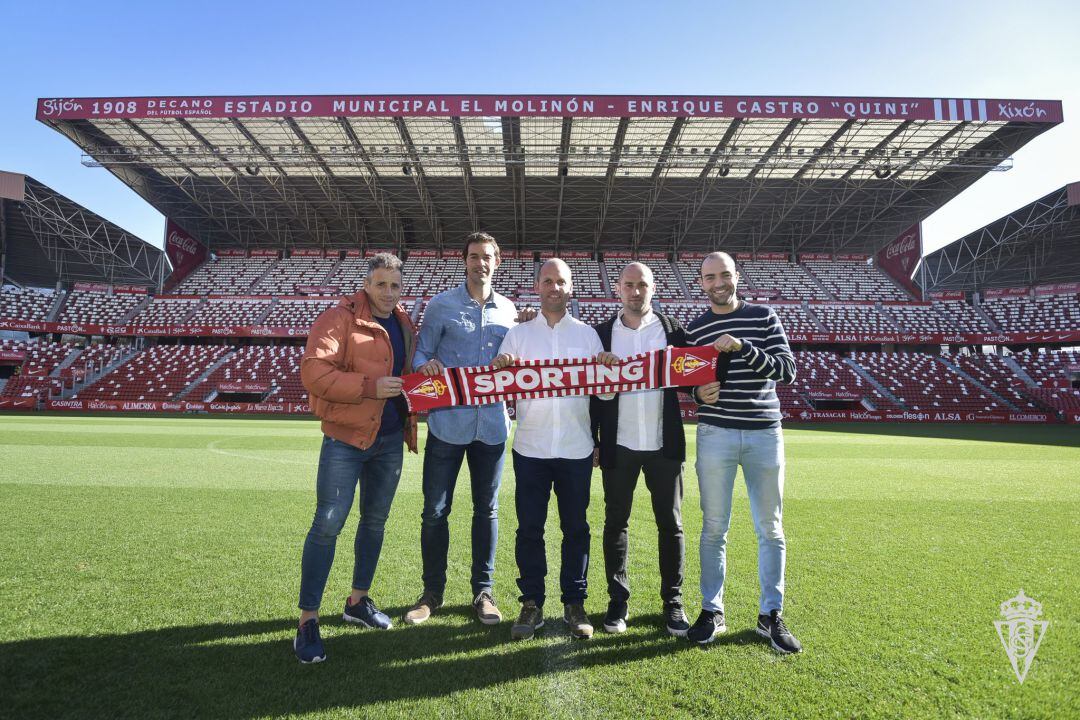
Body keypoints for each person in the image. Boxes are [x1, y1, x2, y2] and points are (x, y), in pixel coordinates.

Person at [292, 252, 417, 664]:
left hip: (390, 439)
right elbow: (314, 373)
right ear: (366, 285)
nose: (388, 292)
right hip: (346, 438)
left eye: (395, 285)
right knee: (327, 524)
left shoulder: (404, 322)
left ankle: (357, 601)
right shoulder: (337, 318)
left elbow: (406, 378)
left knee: (375, 522)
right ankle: (308, 620)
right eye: (381, 284)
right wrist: (368, 386)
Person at [684, 251, 803, 654]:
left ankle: (771, 614)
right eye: (710, 277)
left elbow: (787, 371)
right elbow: (687, 380)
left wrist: (744, 348)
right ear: (701, 282)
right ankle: (711, 610)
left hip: (764, 433)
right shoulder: (696, 329)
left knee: (770, 528)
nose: (718, 283)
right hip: (715, 432)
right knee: (714, 528)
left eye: (725, 275)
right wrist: (697, 393)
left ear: (737, 275)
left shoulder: (764, 317)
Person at [492, 258, 616, 641]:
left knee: (575, 529)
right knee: (530, 529)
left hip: (576, 449)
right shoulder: (517, 335)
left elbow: (604, 394)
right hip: (530, 448)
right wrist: (500, 367)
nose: (554, 287)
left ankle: (574, 603)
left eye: (561, 281)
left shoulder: (587, 336)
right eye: (547, 281)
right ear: (537, 287)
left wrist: (607, 370)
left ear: (570, 287)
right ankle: (531, 603)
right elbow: (500, 387)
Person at [404, 232, 519, 626]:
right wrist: (425, 365)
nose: (479, 263)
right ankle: (431, 593)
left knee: (487, 510)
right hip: (447, 425)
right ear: (464, 261)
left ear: (497, 261)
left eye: (486, 256)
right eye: (473, 256)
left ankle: (483, 592)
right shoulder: (441, 305)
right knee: (435, 511)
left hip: (492, 427)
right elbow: (421, 352)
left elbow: (519, 361)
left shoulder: (509, 311)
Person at [590, 262, 690, 637]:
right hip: (620, 444)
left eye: (642, 285)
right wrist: (595, 438)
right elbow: (591, 392)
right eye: (629, 285)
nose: (636, 291)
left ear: (653, 288)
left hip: (664, 444)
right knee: (615, 523)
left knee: (671, 525)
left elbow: (693, 376)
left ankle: (673, 602)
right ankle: (618, 602)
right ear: (618, 289)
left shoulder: (672, 331)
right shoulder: (601, 335)